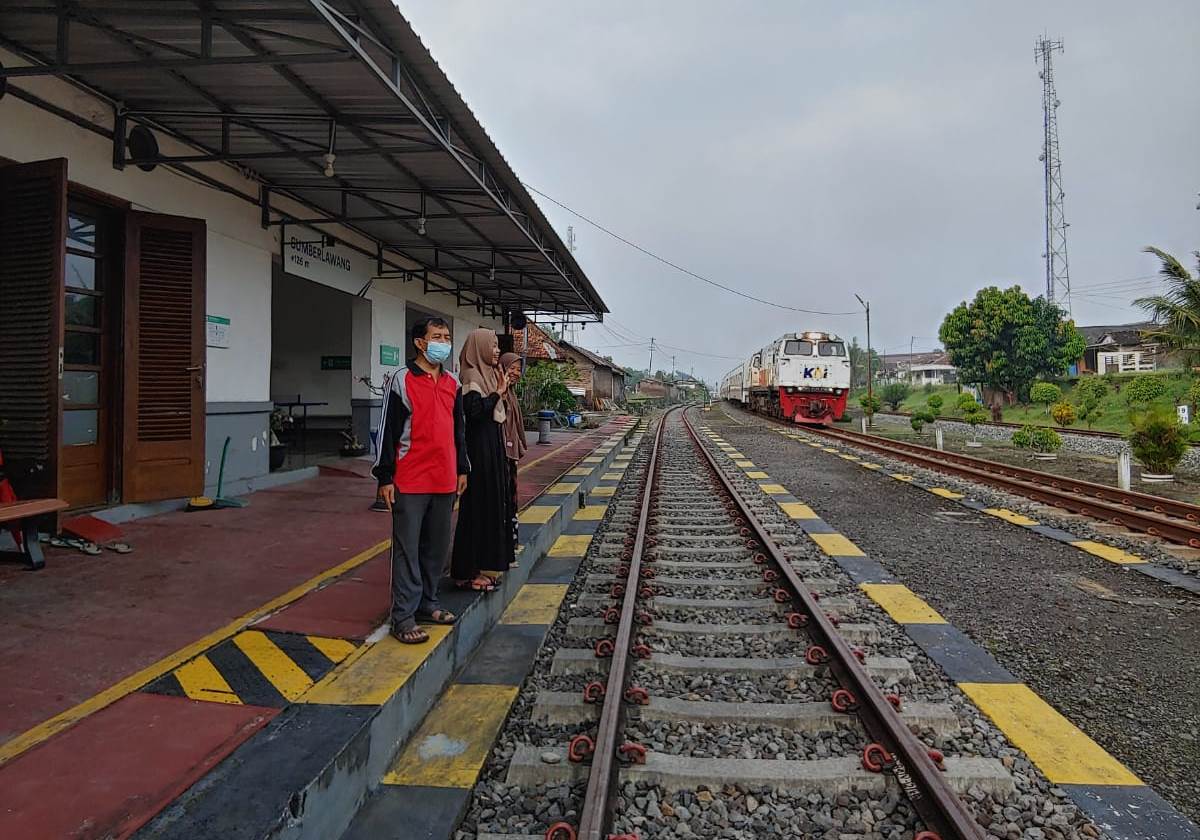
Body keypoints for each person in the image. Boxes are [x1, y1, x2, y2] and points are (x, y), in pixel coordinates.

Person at [372, 317, 469, 644]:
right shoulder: (401, 380)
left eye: (446, 336)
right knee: (406, 550)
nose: (443, 341)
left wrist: (462, 469)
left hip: (445, 479)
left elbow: (459, 431)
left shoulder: (453, 383)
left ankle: (429, 603)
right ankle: (403, 616)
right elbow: (386, 432)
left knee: (437, 548)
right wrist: (384, 476)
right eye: (437, 336)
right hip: (410, 479)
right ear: (419, 342)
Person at [450, 329, 514, 589]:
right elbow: (474, 412)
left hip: (492, 447)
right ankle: (470, 570)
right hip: (478, 450)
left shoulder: (488, 373)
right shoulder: (471, 375)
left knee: (493, 506)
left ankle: (488, 565)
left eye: (498, 346)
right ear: (479, 347)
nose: (497, 351)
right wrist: (497, 393)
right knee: (479, 508)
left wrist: (499, 391)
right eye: (493, 346)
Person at [498, 352, 526, 561]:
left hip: (510, 455)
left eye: (518, 369)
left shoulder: (512, 393)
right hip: (502, 454)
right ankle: (505, 548)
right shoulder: (500, 392)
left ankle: (511, 546)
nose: (515, 373)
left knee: (512, 501)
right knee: (505, 501)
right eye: (512, 368)